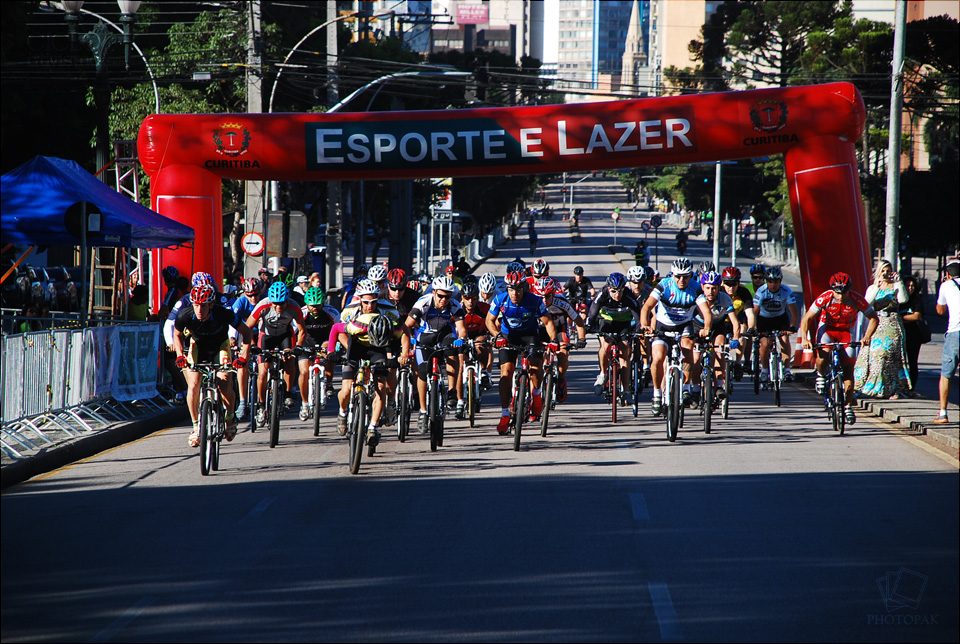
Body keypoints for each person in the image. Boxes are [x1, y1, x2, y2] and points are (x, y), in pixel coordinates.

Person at [173, 284, 252, 447]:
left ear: (211, 305)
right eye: (195, 305)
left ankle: (230, 417)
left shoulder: (224, 314)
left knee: (224, 384)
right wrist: (180, 355)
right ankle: (196, 427)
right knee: (194, 385)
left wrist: (243, 356)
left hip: (220, 347)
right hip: (198, 347)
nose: (199, 310)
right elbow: (177, 334)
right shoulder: (185, 315)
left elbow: (247, 332)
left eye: (203, 306)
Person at [799, 271, 877, 425]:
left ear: (850, 289)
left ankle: (848, 406)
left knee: (848, 368)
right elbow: (806, 318)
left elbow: (874, 317)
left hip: (846, 333)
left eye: (844, 292)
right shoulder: (825, 297)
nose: (841, 296)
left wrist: (867, 336)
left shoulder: (856, 299)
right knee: (823, 354)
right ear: (832, 290)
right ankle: (821, 375)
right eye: (837, 292)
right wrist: (804, 339)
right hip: (827, 330)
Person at [486, 270, 558, 435]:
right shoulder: (500, 299)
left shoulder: (534, 300)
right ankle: (505, 414)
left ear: (524, 288)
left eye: (518, 289)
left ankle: (537, 394)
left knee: (535, 368)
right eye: (511, 289)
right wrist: (496, 336)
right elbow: (489, 320)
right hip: (507, 336)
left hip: (530, 336)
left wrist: (554, 341)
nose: (514, 293)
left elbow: (547, 322)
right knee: (506, 372)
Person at [640, 258, 713, 413]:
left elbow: (706, 311)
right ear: (672, 275)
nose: (681, 280)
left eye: (685, 276)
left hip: (684, 325)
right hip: (663, 325)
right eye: (678, 276)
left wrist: (706, 327)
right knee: (658, 358)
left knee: (688, 349)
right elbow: (646, 307)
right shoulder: (664, 285)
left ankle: (685, 389)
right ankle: (657, 393)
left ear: (690, 275)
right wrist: (645, 325)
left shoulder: (695, 288)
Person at [405, 275, 468, 426]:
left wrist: (461, 339)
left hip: (444, 333)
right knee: (422, 371)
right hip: (425, 334)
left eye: (447, 296)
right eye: (440, 296)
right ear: (434, 292)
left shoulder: (454, 305)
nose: (443, 300)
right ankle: (422, 411)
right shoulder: (423, 303)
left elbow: (462, 329)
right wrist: (410, 339)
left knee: (454, 348)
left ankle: (452, 390)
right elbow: (407, 325)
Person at [245, 280, 305, 426]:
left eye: (282, 303)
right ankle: (260, 405)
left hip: (285, 335)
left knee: (289, 358)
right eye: (275, 304)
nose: (278, 307)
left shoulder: (294, 307)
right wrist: (252, 345)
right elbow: (247, 327)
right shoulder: (263, 305)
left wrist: (298, 346)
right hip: (266, 336)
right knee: (263, 372)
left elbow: (302, 330)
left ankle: (288, 393)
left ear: (287, 300)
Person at [854, 259, 911, 398]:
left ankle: (890, 388)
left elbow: (903, 300)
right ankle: (873, 386)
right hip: (877, 323)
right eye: (883, 270)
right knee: (874, 354)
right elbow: (867, 304)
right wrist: (877, 286)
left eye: (888, 270)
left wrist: (899, 282)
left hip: (892, 324)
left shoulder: (895, 286)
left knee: (889, 355)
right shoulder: (873, 288)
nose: (886, 273)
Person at [587, 272, 644, 402]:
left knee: (624, 353)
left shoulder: (629, 297)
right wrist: (588, 325)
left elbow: (638, 317)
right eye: (613, 291)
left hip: (623, 324)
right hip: (607, 323)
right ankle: (603, 374)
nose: (617, 295)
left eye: (620, 291)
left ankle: (625, 390)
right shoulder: (602, 294)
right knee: (605, 345)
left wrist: (639, 329)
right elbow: (592, 313)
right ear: (608, 289)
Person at [533, 277, 587, 401]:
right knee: (539, 358)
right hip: (540, 330)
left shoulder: (562, 303)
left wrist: (581, 339)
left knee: (563, 354)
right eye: (540, 297)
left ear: (553, 294)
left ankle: (561, 379)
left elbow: (578, 321)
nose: (544, 300)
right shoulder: (533, 302)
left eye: (547, 296)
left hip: (559, 329)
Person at [296, 287, 340, 420]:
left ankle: (329, 382)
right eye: (312, 305)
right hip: (306, 341)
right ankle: (304, 404)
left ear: (323, 303)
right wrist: (295, 347)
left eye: (318, 305)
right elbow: (293, 332)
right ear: (306, 303)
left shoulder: (332, 312)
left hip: (326, 339)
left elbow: (338, 331)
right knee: (304, 372)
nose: (315, 308)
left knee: (329, 353)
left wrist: (337, 346)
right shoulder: (301, 313)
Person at [752, 265, 799, 383]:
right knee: (765, 344)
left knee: (784, 340)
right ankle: (764, 370)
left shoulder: (786, 291)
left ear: (780, 281)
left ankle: (787, 370)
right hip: (764, 319)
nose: (773, 285)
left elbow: (794, 312)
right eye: (770, 282)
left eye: (776, 282)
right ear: (766, 281)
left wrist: (792, 326)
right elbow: (754, 312)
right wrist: (754, 327)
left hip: (780, 318)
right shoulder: (761, 291)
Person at [934, 260, 960, 424]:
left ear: (948, 274)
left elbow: (940, 310)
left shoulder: (946, 285)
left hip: (955, 333)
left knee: (946, 374)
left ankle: (943, 413)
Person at [720, 267, 756, 379]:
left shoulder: (744, 292)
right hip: (721, 321)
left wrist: (751, 328)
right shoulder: (718, 290)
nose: (730, 288)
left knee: (743, 329)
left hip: (738, 321)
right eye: (727, 284)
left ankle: (738, 363)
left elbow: (750, 314)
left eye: (734, 284)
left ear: (738, 282)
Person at [899, 274, 926, 391]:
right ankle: (900, 386)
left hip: (914, 335)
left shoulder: (917, 300)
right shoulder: (899, 300)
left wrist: (899, 318)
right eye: (907, 285)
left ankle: (911, 388)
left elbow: (917, 316)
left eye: (912, 286)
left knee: (912, 362)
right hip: (900, 334)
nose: (910, 288)